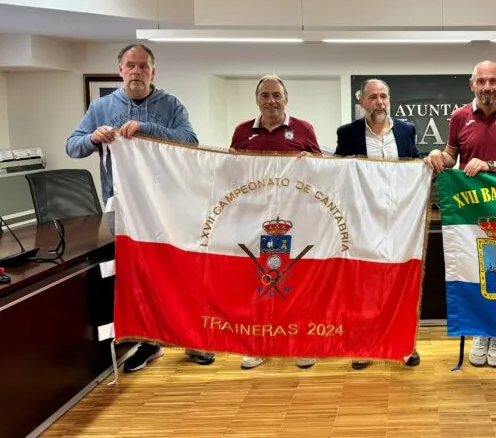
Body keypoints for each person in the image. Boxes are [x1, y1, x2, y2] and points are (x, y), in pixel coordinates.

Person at [65, 43, 214, 372]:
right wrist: (93, 138)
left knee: (178, 271)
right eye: (130, 65)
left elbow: (189, 141)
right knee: (136, 277)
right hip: (123, 209)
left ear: (152, 71)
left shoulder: (170, 104)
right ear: (120, 70)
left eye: (143, 66)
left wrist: (147, 128)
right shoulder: (101, 107)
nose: (137, 71)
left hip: (168, 206)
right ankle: (148, 342)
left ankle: (193, 339)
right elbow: (72, 147)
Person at [425, 60, 496, 368]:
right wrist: (437, 155)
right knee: (474, 268)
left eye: (492, 81)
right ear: (472, 85)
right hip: (470, 208)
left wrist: (489, 165)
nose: (487, 87)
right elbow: (451, 157)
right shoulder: (460, 116)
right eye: (481, 81)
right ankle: (480, 331)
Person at [231, 74, 321, 370]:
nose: (271, 101)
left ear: (286, 99)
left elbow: (322, 172)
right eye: (265, 95)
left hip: (295, 220)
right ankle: (259, 345)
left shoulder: (303, 129)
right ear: (257, 100)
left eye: (276, 95)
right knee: (260, 283)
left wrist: (312, 162)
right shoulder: (242, 131)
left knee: (296, 281)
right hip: (255, 221)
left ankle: (302, 343)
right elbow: (234, 176)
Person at [335, 78, 421, 369]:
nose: (379, 102)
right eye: (373, 97)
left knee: (402, 281)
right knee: (364, 283)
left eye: (383, 96)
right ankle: (364, 345)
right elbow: (338, 172)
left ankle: (405, 344)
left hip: (400, 220)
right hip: (363, 221)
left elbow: (415, 164)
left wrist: (429, 160)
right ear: (361, 102)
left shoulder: (406, 130)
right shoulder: (347, 133)